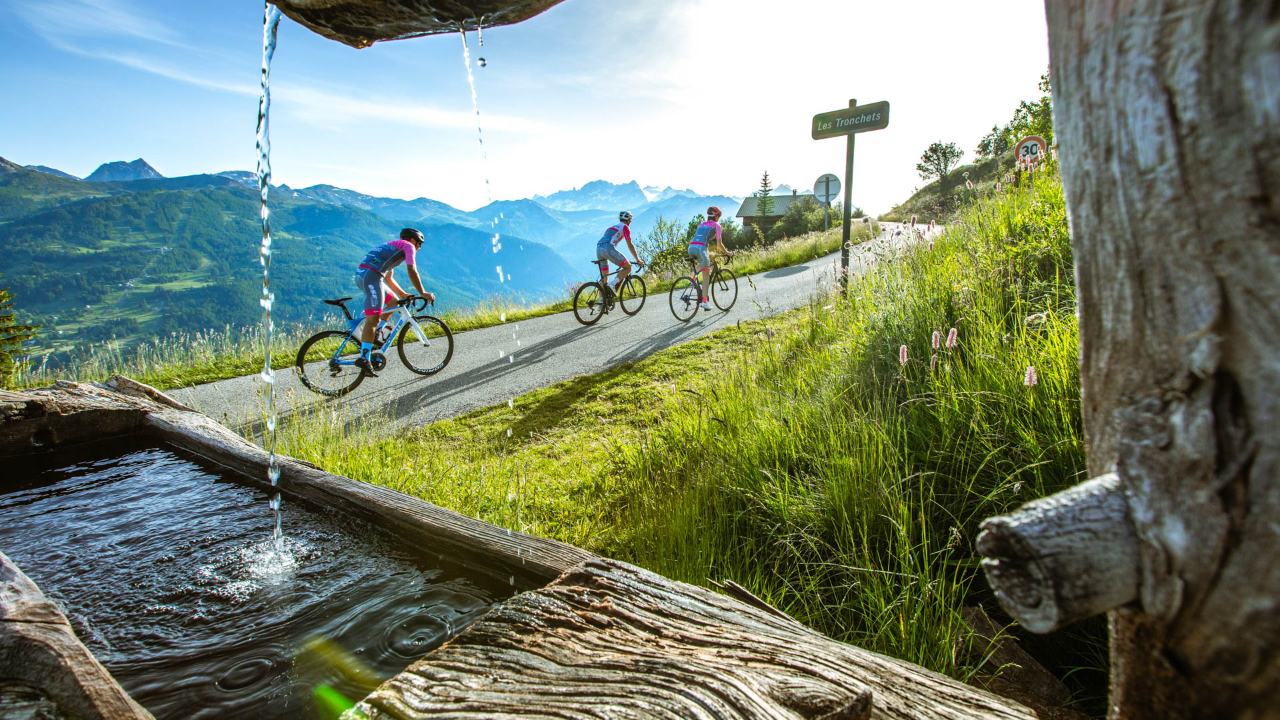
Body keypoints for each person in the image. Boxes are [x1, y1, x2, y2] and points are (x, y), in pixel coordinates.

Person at [353, 228, 434, 376]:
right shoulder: (408, 246)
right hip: (372, 277)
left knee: (395, 302)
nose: (419, 248)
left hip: (364, 276)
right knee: (373, 320)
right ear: (413, 240)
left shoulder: (392, 246)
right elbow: (412, 271)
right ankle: (364, 357)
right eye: (419, 244)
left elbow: (389, 278)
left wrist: (403, 294)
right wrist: (423, 292)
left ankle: (378, 333)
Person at [596, 211, 644, 302]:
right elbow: (630, 245)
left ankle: (601, 303)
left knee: (604, 277)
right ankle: (613, 284)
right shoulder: (625, 227)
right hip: (608, 248)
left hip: (599, 249)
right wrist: (638, 259)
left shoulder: (611, 227)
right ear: (629, 220)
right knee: (628, 267)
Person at [687, 206, 729, 311]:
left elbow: (700, 240)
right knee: (706, 277)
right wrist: (727, 253)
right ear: (716, 216)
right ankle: (704, 302)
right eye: (718, 216)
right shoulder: (717, 226)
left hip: (691, 247)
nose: (719, 218)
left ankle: (693, 282)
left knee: (700, 265)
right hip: (701, 249)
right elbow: (719, 245)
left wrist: (708, 252)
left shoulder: (701, 224)